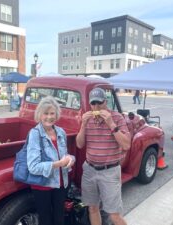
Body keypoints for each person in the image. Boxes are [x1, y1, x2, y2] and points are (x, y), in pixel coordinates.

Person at [76, 87, 131, 225]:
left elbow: (126, 145)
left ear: (105, 102)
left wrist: (111, 123)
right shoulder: (87, 119)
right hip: (89, 170)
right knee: (93, 208)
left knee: (114, 214)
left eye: (99, 103)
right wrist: (83, 124)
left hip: (110, 171)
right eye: (93, 104)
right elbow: (79, 144)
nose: (96, 107)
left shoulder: (117, 118)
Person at [27, 96, 75, 225]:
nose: (49, 117)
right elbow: (33, 167)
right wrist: (59, 164)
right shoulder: (35, 134)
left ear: (57, 114)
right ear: (39, 115)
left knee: (59, 217)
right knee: (46, 219)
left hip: (61, 184)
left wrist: (71, 159)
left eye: (52, 113)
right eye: (45, 113)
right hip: (43, 185)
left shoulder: (61, 132)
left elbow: (65, 156)